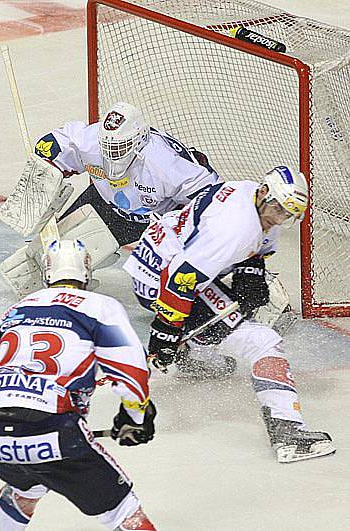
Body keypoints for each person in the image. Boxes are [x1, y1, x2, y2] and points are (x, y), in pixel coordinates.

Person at [123, 165, 336, 463]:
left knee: (232, 312)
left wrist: (251, 272)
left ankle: (192, 355)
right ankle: (287, 429)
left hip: (158, 259)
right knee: (263, 340)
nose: (278, 218)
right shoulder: (234, 229)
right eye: (276, 209)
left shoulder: (248, 194)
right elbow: (181, 279)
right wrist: (166, 334)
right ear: (264, 192)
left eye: (286, 215)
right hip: (161, 279)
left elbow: (252, 250)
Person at [0, 239, 157, 530]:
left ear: (46, 273)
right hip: (52, 431)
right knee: (123, 512)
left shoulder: (15, 310)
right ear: (87, 271)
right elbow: (131, 372)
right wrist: (135, 416)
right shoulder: (99, 306)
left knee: (23, 492)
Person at [0, 101, 221, 297]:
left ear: (139, 141)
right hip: (102, 201)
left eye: (120, 148)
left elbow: (210, 197)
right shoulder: (89, 141)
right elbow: (51, 145)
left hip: (151, 221)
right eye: (108, 147)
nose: (112, 155)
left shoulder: (164, 163)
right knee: (56, 257)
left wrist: (180, 233)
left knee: (163, 287)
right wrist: (45, 169)